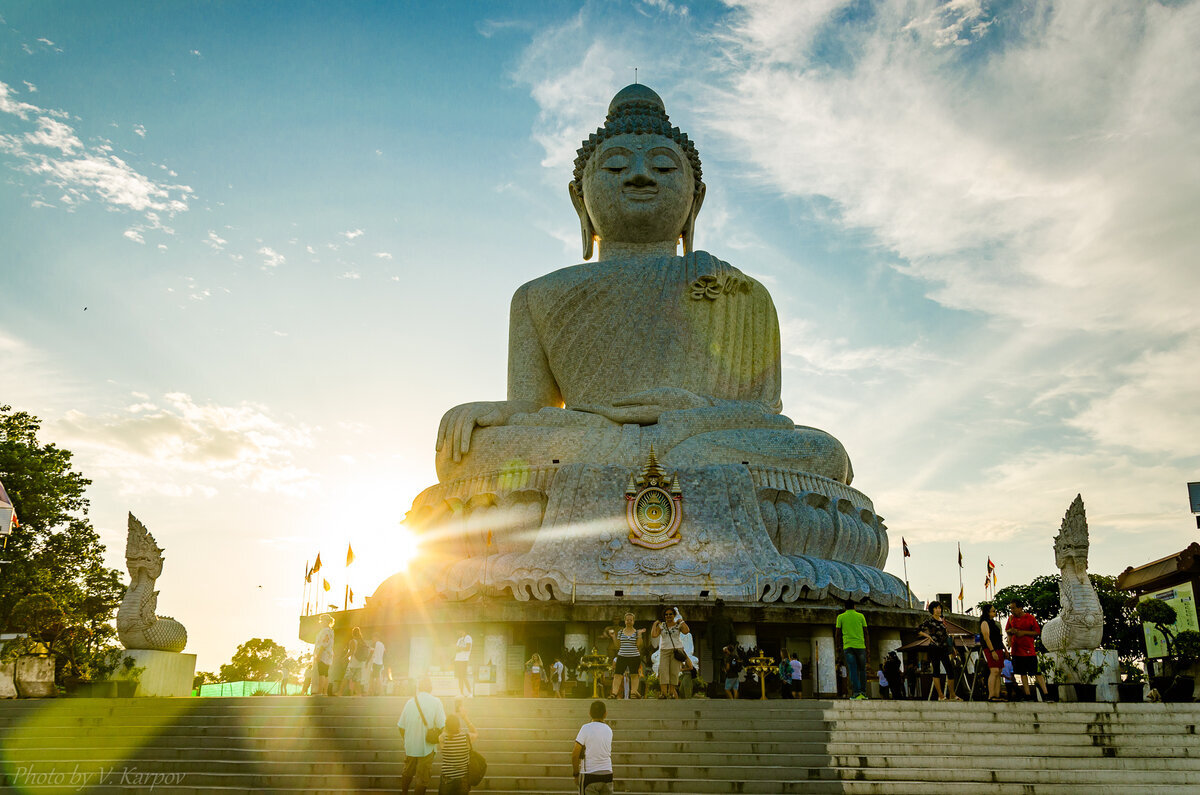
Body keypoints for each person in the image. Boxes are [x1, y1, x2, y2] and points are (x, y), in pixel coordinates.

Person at [398, 676, 446, 795]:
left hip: (410, 746)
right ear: (430, 688)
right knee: (422, 777)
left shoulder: (410, 702)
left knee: (408, 771)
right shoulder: (436, 702)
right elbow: (442, 725)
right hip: (427, 747)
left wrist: (408, 739)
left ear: (419, 688)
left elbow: (400, 726)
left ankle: (404, 792)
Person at [1006, 600, 1052, 701]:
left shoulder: (1030, 618)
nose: (1012, 610)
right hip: (1016, 650)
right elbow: (1007, 630)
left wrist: (1023, 633)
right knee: (1022, 673)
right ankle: (1027, 694)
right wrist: (1011, 633)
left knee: (1037, 672)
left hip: (1029, 650)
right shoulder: (1010, 619)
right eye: (1011, 608)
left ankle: (1046, 694)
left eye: (1013, 608)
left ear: (1020, 608)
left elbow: (1037, 632)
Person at [918, 601, 960, 701]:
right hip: (934, 647)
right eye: (936, 608)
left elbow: (946, 635)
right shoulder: (929, 620)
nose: (938, 610)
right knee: (936, 670)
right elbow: (919, 629)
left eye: (939, 608)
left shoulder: (943, 620)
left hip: (944, 648)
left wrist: (952, 648)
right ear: (932, 610)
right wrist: (928, 636)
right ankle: (941, 695)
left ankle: (952, 694)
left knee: (950, 670)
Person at [572, 699, 614, 795]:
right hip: (607, 773)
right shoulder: (609, 730)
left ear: (590, 713)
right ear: (605, 714)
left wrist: (575, 774)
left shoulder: (585, 728)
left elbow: (575, 753)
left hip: (589, 775)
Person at [650, 606, 690, 699]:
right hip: (664, 650)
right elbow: (654, 635)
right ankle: (663, 693)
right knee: (663, 671)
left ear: (674, 615)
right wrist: (655, 624)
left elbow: (686, 631)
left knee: (674, 672)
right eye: (666, 615)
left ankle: (671, 693)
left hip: (676, 650)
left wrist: (682, 621)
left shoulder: (678, 625)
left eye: (670, 614)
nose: (668, 616)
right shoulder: (662, 626)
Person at [835, 599, 870, 699]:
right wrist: (867, 648)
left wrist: (838, 646)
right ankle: (863, 693)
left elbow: (837, 633)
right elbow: (866, 632)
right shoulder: (860, 616)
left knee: (853, 670)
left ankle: (856, 693)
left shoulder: (840, 617)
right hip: (860, 646)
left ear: (845, 607)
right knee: (862, 670)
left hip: (848, 646)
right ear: (854, 606)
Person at [606, 612, 646, 699]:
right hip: (622, 656)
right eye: (627, 620)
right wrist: (613, 637)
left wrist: (639, 635)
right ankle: (614, 693)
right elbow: (617, 646)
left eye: (630, 620)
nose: (629, 621)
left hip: (634, 656)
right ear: (624, 621)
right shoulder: (620, 632)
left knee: (634, 675)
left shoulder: (636, 632)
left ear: (633, 621)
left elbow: (639, 645)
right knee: (617, 675)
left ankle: (633, 693)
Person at [438, 714, 471, 794]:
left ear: (446, 726)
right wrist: (465, 718)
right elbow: (475, 732)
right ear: (458, 725)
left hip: (447, 779)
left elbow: (443, 733)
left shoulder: (442, 738)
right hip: (463, 779)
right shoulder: (465, 737)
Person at [980, 603, 1006, 702]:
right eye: (993, 611)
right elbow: (986, 637)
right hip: (991, 648)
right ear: (988, 612)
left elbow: (998, 638)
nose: (995, 612)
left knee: (999, 671)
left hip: (998, 648)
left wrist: (1005, 650)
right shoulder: (984, 622)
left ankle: (997, 694)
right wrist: (992, 651)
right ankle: (991, 695)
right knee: (994, 670)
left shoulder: (993, 623)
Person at [339, 627, 369, 697]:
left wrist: (344, 658)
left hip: (353, 664)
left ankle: (340, 692)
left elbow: (351, 652)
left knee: (346, 678)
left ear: (353, 634)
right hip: (360, 663)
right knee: (357, 680)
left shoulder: (353, 641)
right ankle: (359, 694)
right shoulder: (362, 641)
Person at [312, 614, 335, 697]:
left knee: (321, 673)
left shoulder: (325, 631)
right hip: (328, 655)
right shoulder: (331, 631)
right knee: (325, 673)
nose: (321, 622)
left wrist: (318, 654)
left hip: (323, 654)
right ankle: (324, 692)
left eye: (322, 620)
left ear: (327, 621)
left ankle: (319, 691)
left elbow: (323, 643)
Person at [454, 628, 473, 698]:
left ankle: (470, 693)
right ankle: (461, 693)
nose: (458, 632)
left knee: (464, 676)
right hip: (457, 659)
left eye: (459, 630)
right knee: (460, 677)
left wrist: (460, 648)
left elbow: (468, 648)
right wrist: (458, 649)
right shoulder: (459, 639)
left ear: (464, 630)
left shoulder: (468, 638)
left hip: (464, 659)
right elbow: (456, 648)